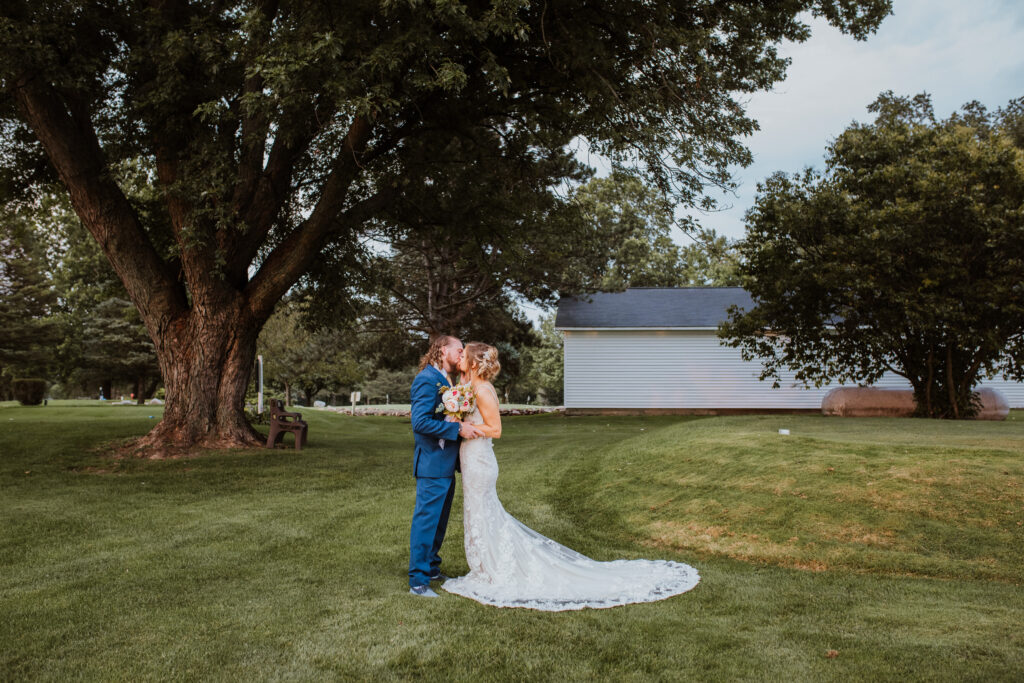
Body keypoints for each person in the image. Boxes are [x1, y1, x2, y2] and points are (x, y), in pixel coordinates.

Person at [441, 342, 700, 611]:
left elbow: (495, 429)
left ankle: (495, 568)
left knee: (484, 512)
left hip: (480, 460)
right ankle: (486, 566)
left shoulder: (482, 390)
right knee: (479, 512)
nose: (459, 357)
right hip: (472, 459)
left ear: (473, 363)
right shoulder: (471, 387)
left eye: (464, 354)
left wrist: (464, 426)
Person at [408, 335, 483, 598]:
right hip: (431, 463)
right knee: (426, 522)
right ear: (442, 350)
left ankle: (431, 568)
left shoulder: (445, 380)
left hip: (446, 463)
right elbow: (420, 423)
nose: (462, 354)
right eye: (459, 350)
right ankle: (418, 582)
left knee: (439, 523)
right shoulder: (426, 379)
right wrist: (457, 428)